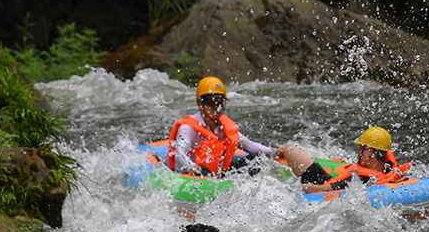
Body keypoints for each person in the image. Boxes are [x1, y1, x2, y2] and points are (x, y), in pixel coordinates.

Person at [168, 76, 275, 176]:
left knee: (256, 158)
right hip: (191, 174)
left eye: (219, 103)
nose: (216, 107)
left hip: (216, 174)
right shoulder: (188, 127)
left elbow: (249, 145)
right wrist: (191, 166)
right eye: (211, 103)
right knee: (203, 169)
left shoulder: (224, 127)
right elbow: (179, 152)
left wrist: (274, 151)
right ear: (200, 105)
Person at [276, 126, 410, 193]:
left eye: (361, 148)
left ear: (369, 152)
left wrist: (294, 188)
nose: (358, 152)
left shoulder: (360, 178)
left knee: (290, 150)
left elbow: (323, 188)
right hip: (340, 178)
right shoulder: (391, 169)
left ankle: (277, 155)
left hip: (323, 181)